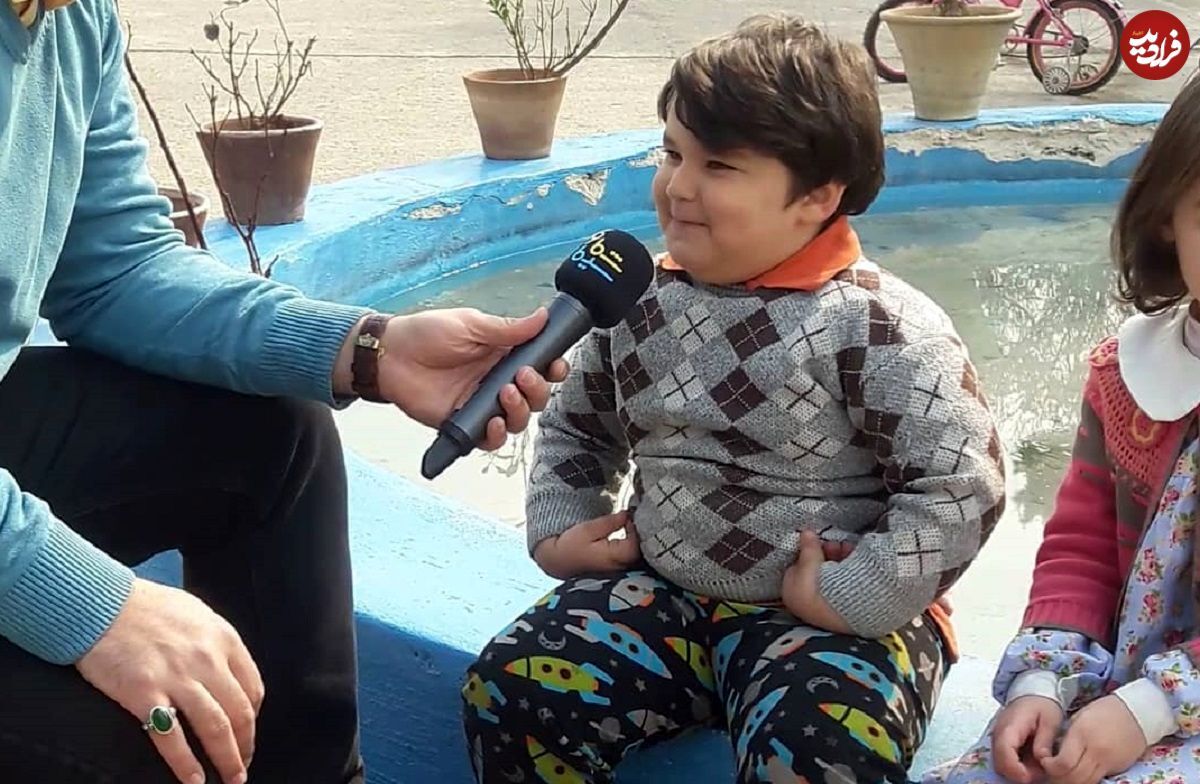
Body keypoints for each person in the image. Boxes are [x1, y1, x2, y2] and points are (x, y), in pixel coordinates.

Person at [0, 1, 568, 783]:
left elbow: (115, 267)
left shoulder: (70, 18)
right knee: (156, 740)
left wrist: (367, 349)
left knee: (273, 436)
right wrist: (91, 605)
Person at [460, 14, 1007, 784]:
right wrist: (561, 523)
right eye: (672, 154)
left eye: (718, 166)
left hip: (836, 624)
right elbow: (578, 429)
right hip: (665, 597)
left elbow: (962, 485)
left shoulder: (878, 325)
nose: (678, 187)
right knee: (513, 691)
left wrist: (857, 593)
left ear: (816, 195)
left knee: (817, 755)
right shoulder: (635, 300)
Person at [923, 75, 1200, 784]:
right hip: (1127, 699)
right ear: (1167, 216)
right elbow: (1083, 548)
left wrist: (1155, 706)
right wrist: (1043, 680)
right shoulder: (1128, 375)